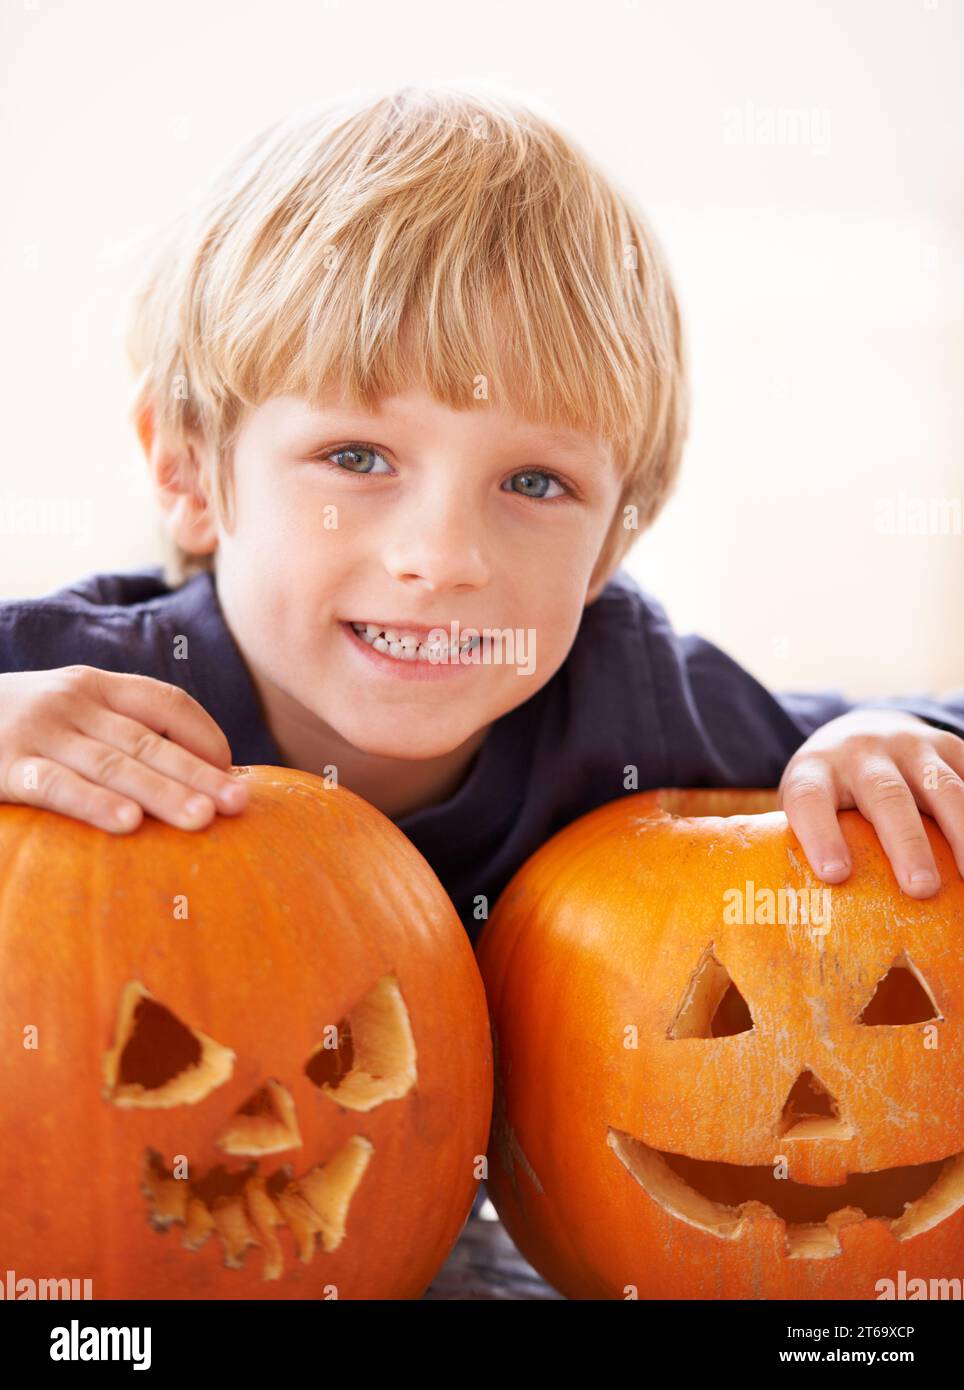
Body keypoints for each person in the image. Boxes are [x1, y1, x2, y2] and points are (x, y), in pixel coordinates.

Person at [1, 83, 962, 944]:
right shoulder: (74, 694)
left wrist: (882, 736)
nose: (443, 556)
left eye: (536, 483)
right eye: (356, 458)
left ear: (611, 544)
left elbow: (925, 733)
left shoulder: (629, 705)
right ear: (189, 474)